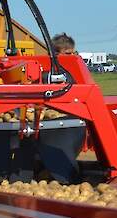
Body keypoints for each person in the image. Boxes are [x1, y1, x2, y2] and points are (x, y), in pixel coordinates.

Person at [37, 32, 87, 183]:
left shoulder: (75, 71)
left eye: (73, 53)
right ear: (54, 53)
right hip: (49, 123)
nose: (72, 57)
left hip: (71, 121)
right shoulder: (43, 73)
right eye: (67, 54)